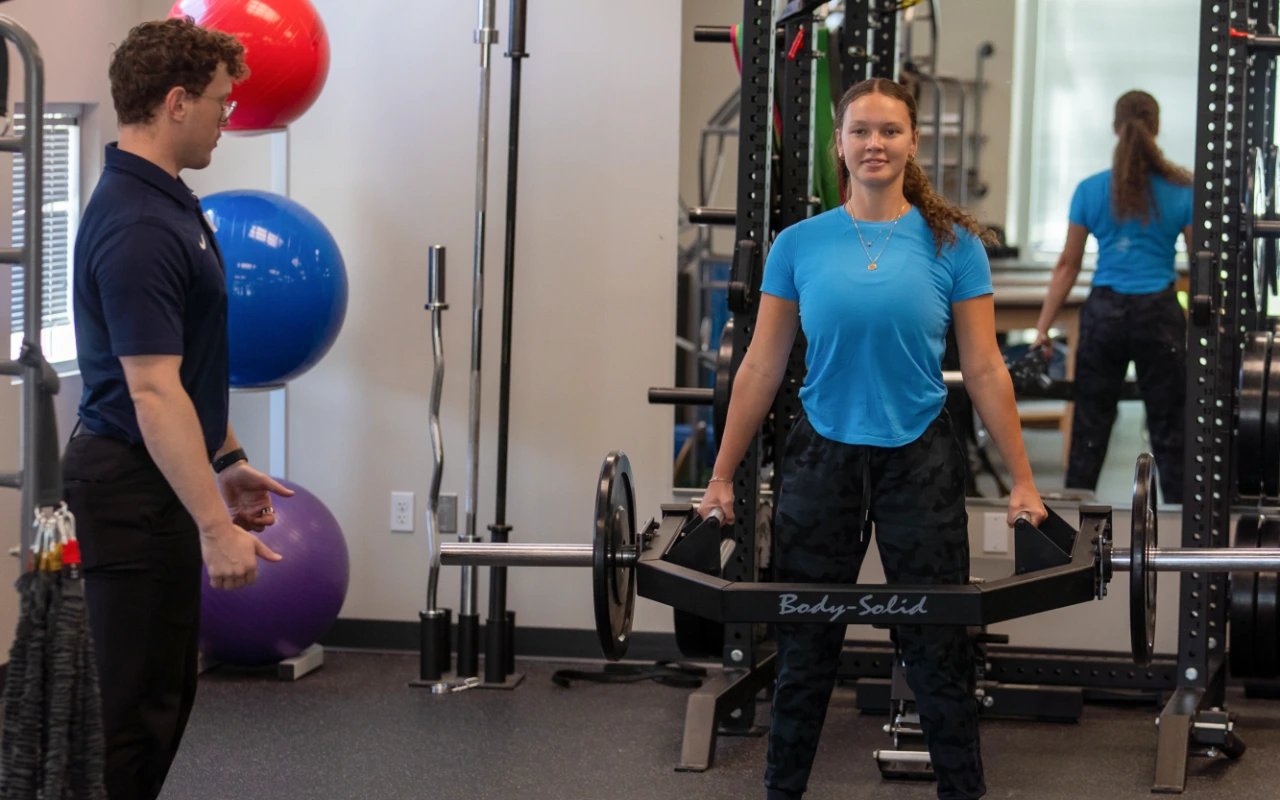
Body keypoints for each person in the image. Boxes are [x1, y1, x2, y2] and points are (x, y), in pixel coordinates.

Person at [698, 77, 1047, 800]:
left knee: (937, 645)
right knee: (804, 646)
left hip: (919, 455)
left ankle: (963, 792)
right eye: (861, 131)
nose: (875, 144)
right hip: (820, 456)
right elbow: (761, 366)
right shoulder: (799, 244)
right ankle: (781, 792)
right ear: (841, 144)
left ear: (912, 142)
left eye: (889, 131)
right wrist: (722, 475)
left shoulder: (954, 246)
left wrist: (1022, 479)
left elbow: (983, 367)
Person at [62, 18, 294, 800]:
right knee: (131, 712)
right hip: (128, 485)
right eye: (223, 105)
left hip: (156, 474)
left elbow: (190, 370)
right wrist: (213, 526)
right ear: (174, 103)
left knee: (163, 698)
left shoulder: (167, 201)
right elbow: (153, 392)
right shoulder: (137, 225)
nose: (229, 120)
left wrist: (225, 462)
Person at [1032, 90, 1193, 504]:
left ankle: (1071, 529)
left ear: (1114, 126)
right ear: (1155, 127)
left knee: (1090, 425)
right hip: (1159, 315)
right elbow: (1200, 268)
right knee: (1170, 426)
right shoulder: (1183, 189)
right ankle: (1180, 532)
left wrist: (1042, 329)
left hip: (1104, 316)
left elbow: (1067, 265)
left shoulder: (1089, 190)